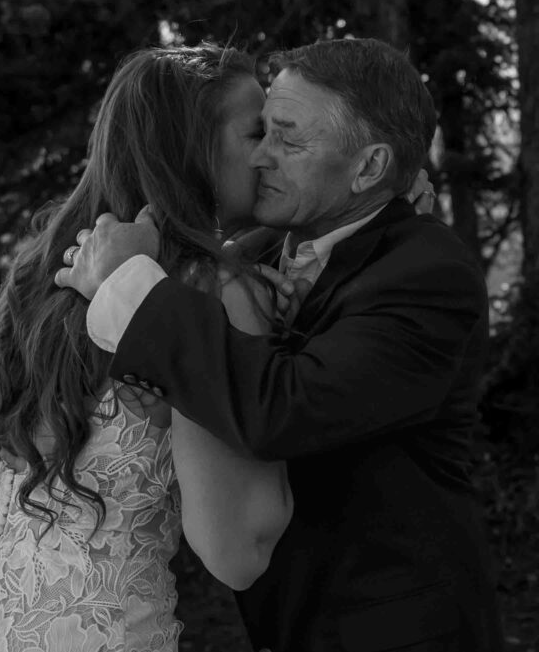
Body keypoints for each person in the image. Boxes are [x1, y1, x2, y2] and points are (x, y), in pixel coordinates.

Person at [57, 37, 504, 652]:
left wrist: (127, 286)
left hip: (394, 629)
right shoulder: (261, 250)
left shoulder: (427, 272)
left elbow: (285, 409)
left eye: (288, 140)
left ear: (370, 168)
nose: (260, 157)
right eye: (261, 131)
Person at [0, 44, 296, 652]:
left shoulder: (49, 271)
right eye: (256, 131)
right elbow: (239, 551)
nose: (270, 152)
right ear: (189, 150)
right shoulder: (214, 292)